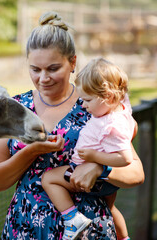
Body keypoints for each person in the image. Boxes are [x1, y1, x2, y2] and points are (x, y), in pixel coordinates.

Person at [0, 11, 144, 240]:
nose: (43, 78)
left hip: (89, 231)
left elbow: (136, 173)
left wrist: (100, 168)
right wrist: (32, 151)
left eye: (52, 69)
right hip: (25, 228)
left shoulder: (94, 106)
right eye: (35, 69)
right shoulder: (13, 109)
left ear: (72, 62)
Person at [42, 57, 134, 240]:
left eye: (87, 100)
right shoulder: (119, 107)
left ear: (107, 97)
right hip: (103, 181)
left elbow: (125, 159)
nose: (83, 106)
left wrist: (94, 157)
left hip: (85, 173)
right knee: (111, 209)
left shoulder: (112, 125)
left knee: (49, 178)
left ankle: (72, 218)